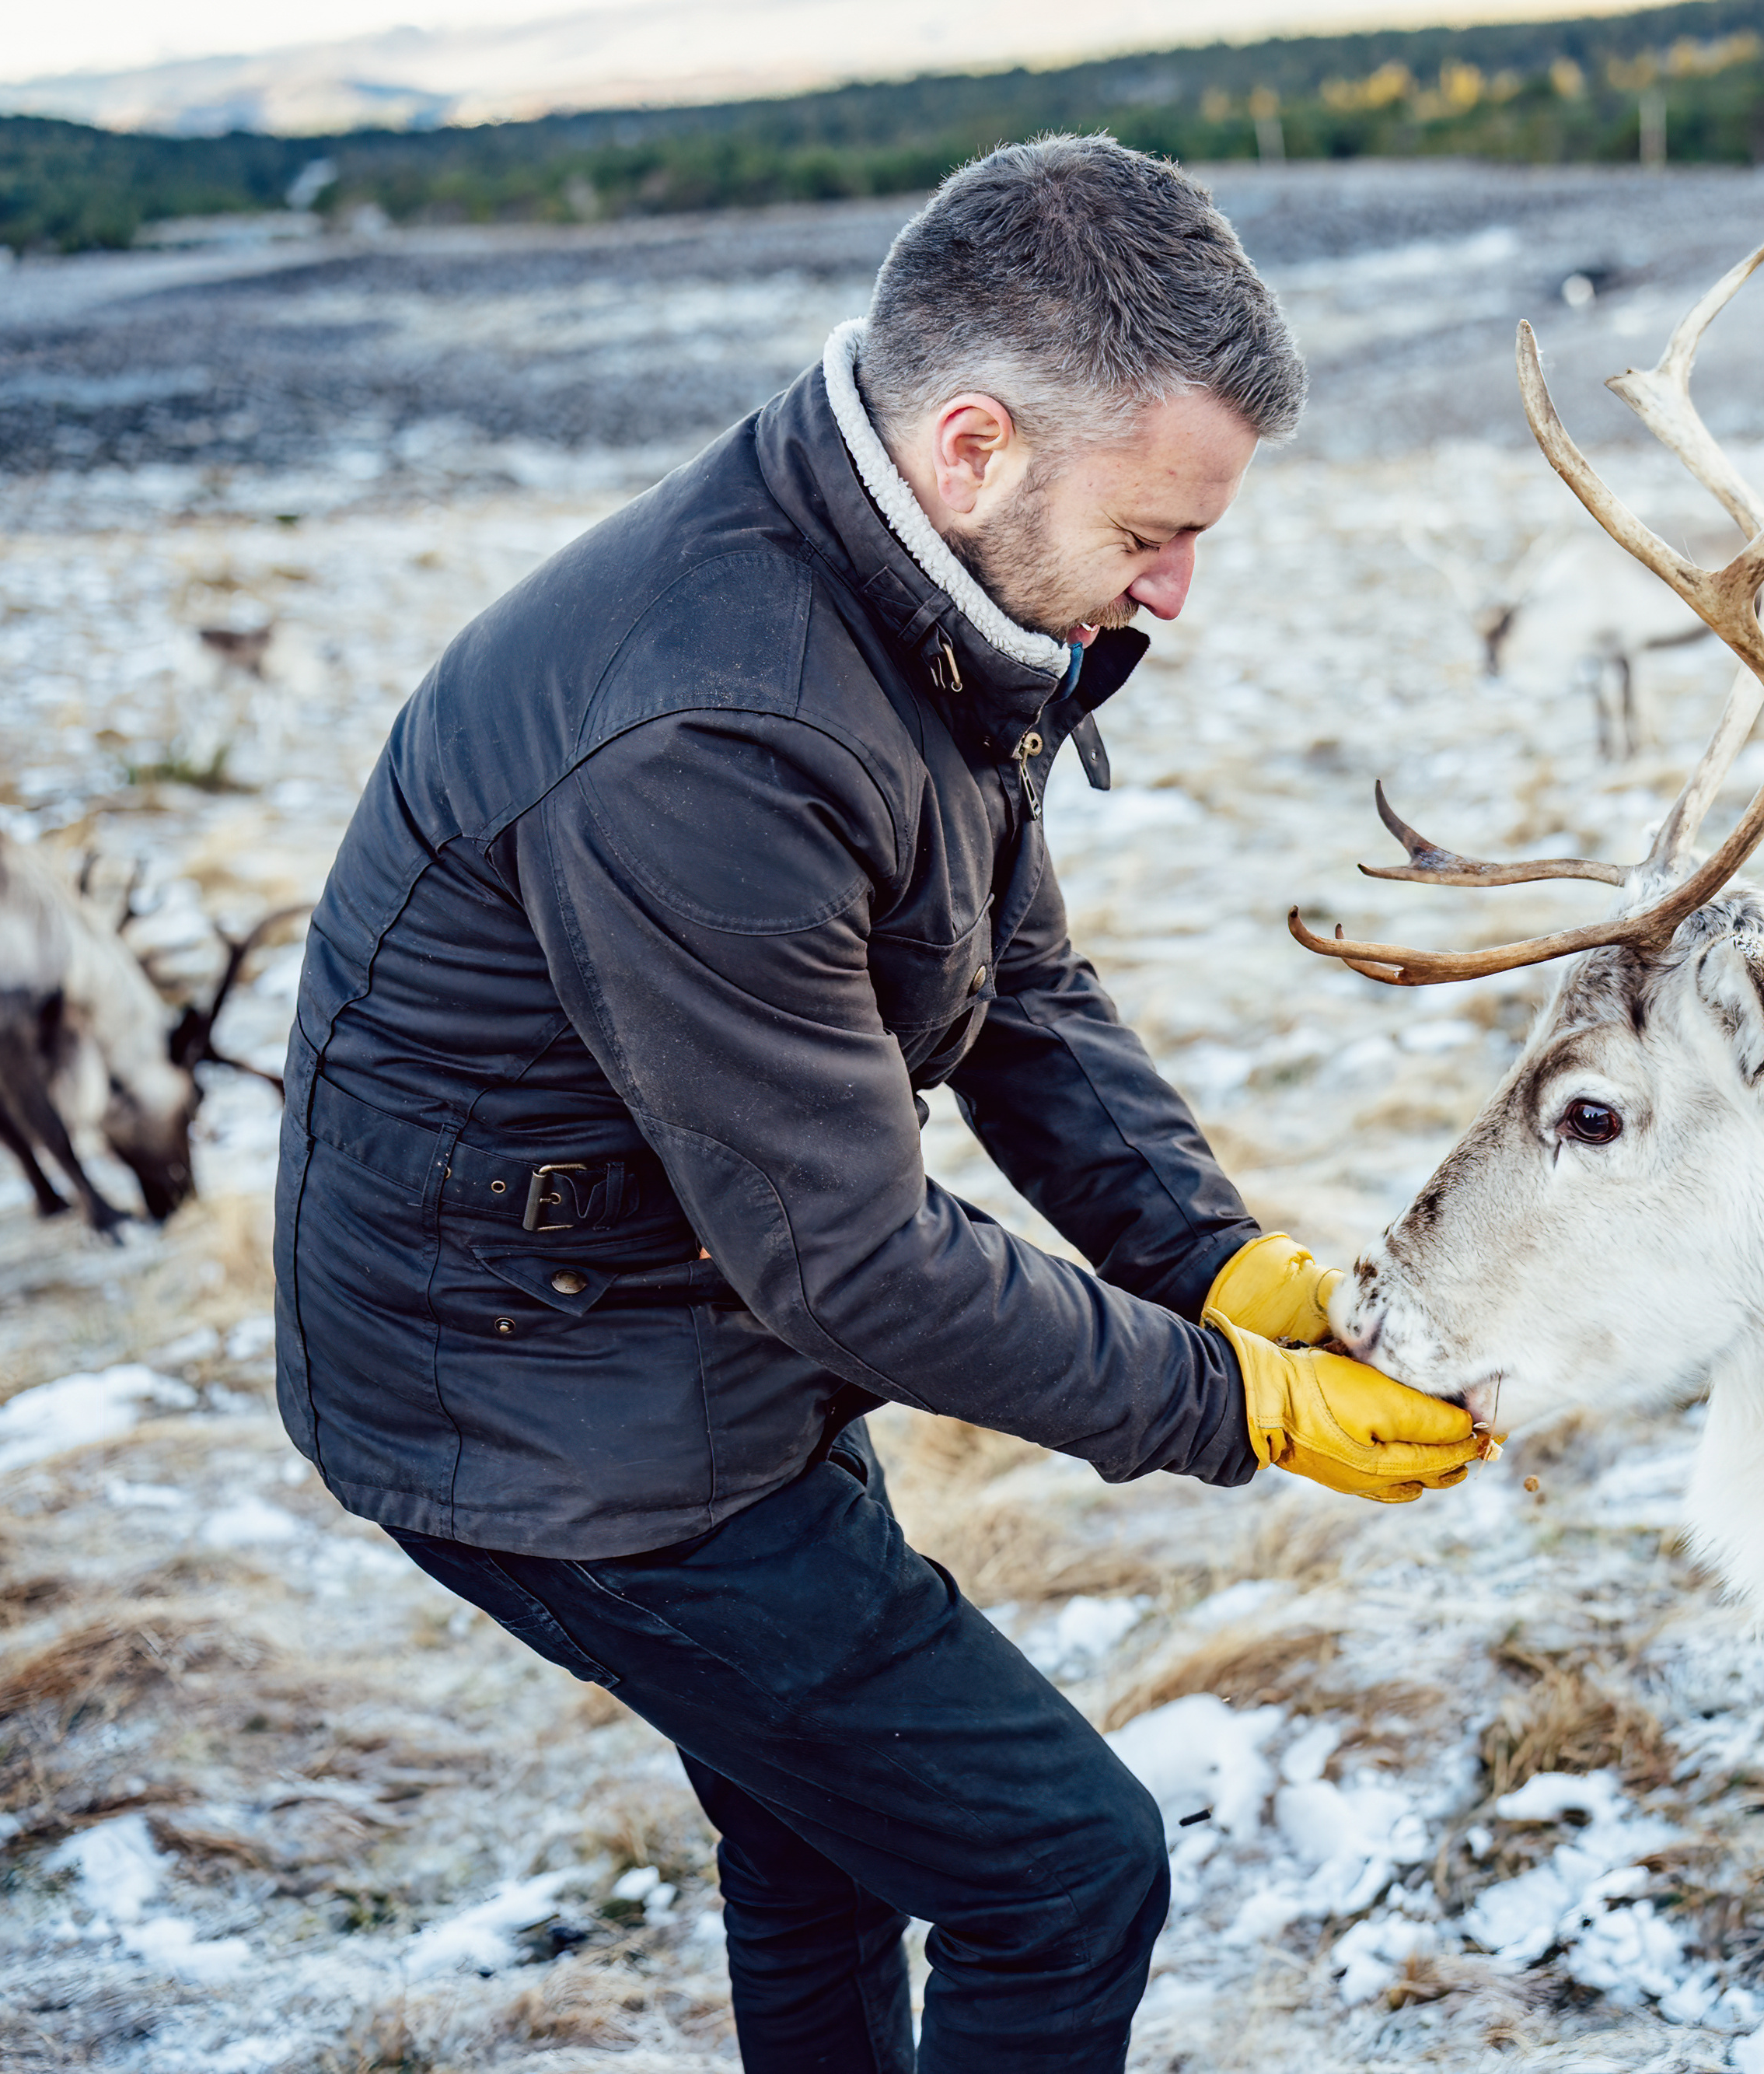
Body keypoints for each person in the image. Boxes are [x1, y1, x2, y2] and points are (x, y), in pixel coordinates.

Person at [272, 135, 1490, 2073]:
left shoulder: (941, 609)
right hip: (535, 1401)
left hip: (659, 1313)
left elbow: (1017, 988)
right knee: (1058, 1869)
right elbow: (847, 1254)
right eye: (1150, 533)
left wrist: (1219, 1263)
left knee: (828, 1825)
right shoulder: (713, 730)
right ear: (974, 444)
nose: (1174, 596)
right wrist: (1232, 1402)